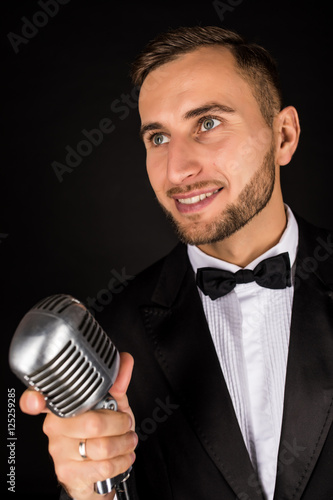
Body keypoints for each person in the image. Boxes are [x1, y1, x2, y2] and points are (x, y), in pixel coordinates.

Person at [19, 26, 333, 500]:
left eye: (207, 123)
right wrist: (89, 491)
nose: (176, 171)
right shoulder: (110, 337)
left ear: (283, 136)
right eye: (158, 137)